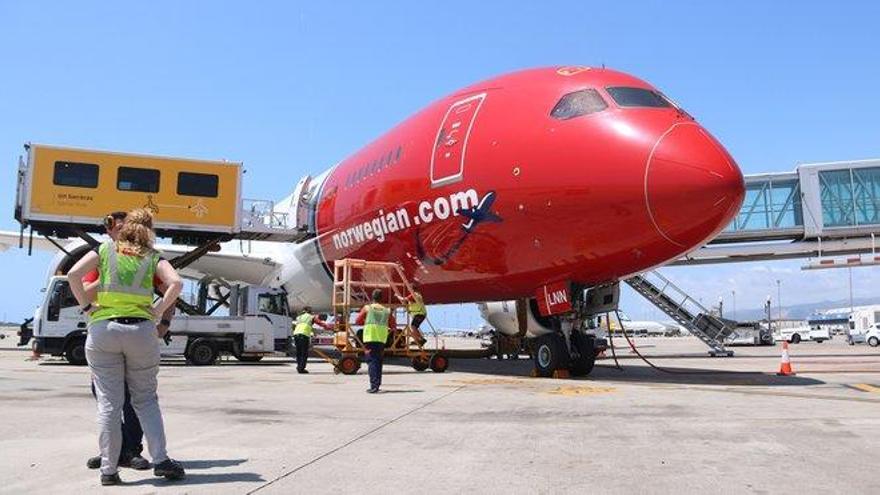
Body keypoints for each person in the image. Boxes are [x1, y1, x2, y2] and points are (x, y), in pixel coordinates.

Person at [68, 208, 185, 485]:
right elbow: (176, 283)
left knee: (109, 403)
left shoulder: (106, 250)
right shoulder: (152, 256)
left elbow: (73, 274)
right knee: (145, 400)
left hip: (103, 330)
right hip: (141, 331)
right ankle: (161, 460)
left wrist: (86, 306)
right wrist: (157, 312)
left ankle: (108, 471)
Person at [355, 289, 396, 394]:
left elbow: (357, 321)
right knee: (378, 362)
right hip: (381, 339)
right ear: (381, 298)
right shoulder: (386, 310)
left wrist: (366, 322)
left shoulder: (368, 308)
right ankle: (377, 384)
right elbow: (393, 326)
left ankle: (374, 386)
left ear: (372, 297)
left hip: (370, 337)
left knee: (371, 362)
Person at [292, 307, 334, 374]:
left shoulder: (299, 317)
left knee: (299, 352)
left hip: (296, 334)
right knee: (304, 353)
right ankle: (301, 369)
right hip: (304, 335)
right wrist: (330, 328)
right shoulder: (311, 317)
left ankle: (299, 367)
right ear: (310, 311)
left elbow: (302, 326)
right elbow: (320, 323)